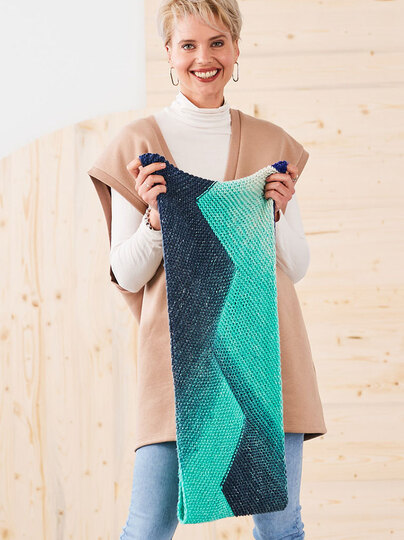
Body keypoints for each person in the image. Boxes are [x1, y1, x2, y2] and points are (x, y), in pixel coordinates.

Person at [87, 1, 327, 538]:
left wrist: (275, 216)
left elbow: (297, 266)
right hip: (177, 363)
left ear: (236, 49)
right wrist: (155, 222)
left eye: (218, 43)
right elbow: (126, 273)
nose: (204, 58)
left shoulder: (271, 145)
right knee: (148, 527)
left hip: (267, 357)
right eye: (189, 45)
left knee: (281, 527)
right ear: (169, 53)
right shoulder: (139, 146)